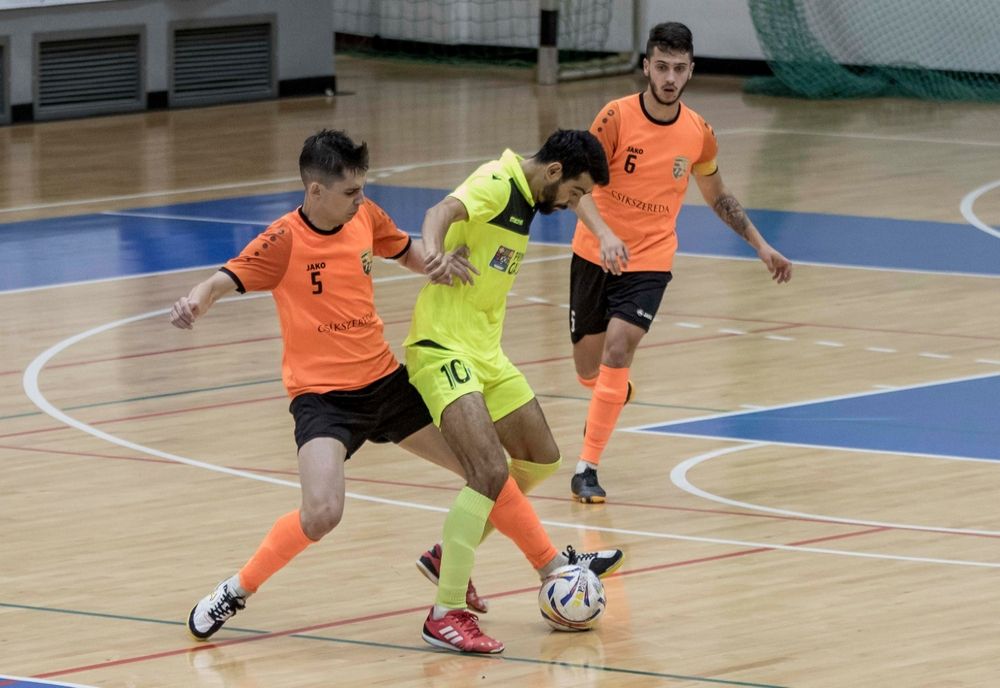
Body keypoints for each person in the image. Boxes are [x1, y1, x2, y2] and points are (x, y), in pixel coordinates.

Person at [172, 129, 621, 653]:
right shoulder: (284, 240)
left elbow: (403, 247)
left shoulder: (364, 217)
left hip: (386, 382)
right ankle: (235, 590)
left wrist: (436, 262)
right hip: (323, 400)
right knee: (322, 513)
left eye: (363, 189)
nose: (362, 199)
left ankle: (548, 567)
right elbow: (227, 277)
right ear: (315, 192)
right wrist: (198, 300)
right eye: (350, 192)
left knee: (486, 471)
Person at [405, 129, 620, 655]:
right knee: (487, 472)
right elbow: (440, 211)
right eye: (574, 194)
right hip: (442, 348)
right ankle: (446, 611)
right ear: (553, 173)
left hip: (486, 353)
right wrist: (433, 253)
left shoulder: (528, 197)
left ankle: (446, 553)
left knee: (542, 458)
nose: (573, 204)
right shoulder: (497, 183)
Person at [567, 22, 793, 503]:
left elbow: (718, 195)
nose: (670, 77)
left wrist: (760, 244)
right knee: (589, 369)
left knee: (619, 349)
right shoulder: (614, 119)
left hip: (650, 258)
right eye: (662, 66)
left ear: (691, 71)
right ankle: (611, 391)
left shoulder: (698, 134)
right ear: (647, 66)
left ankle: (586, 467)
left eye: (679, 68)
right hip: (594, 253)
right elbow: (575, 187)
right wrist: (604, 234)